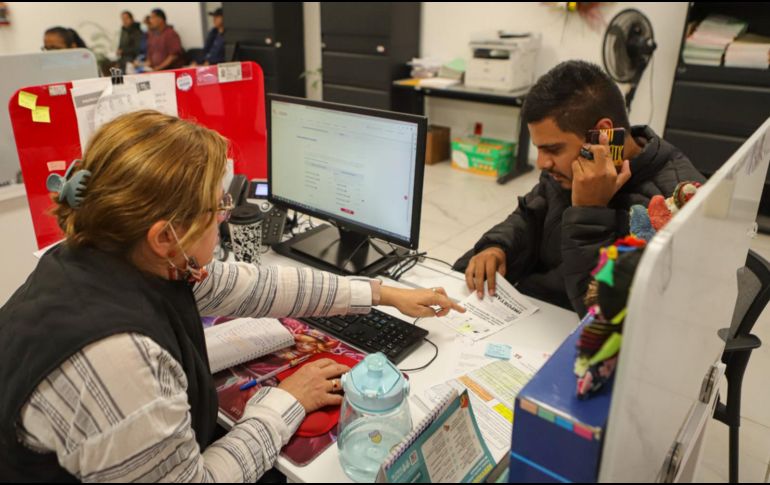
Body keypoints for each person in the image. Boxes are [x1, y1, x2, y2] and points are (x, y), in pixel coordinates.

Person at [0, 110, 464, 481]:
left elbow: (255, 287)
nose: (225, 214)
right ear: (165, 237)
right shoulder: (115, 360)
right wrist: (286, 404)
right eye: (217, 206)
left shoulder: (108, 253)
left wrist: (382, 292)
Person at [454, 60, 705, 314]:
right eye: (538, 149)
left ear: (603, 134)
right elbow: (530, 215)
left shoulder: (676, 201)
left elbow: (606, 317)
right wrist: (497, 246)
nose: (541, 163)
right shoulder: (568, 169)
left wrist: (590, 210)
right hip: (534, 316)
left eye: (552, 149)